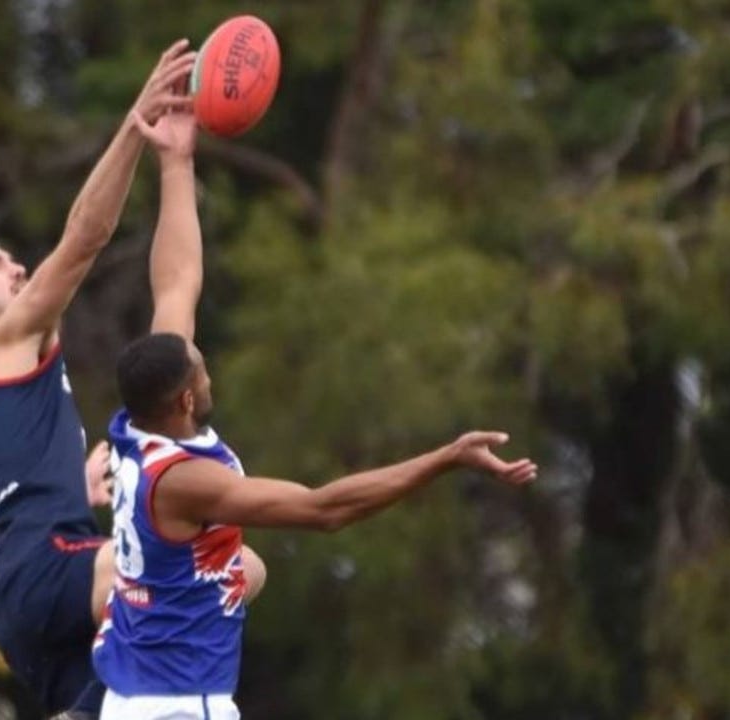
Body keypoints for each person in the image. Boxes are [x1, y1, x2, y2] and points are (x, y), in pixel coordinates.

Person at [90, 94, 539, 720]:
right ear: (186, 397)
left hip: (135, 695)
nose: (205, 363)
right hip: (176, 705)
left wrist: (176, 163)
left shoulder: (142, 422)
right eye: (201, 368)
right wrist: (446, 458)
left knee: (247, 567)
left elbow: (177, 280)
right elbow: (324, 509)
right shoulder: (186, 482)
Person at [0, 41, 201, 719]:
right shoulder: (5, 342)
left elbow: (178, 292)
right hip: (48, 572)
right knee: (227, 572)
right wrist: (136, 127)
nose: (16, 271)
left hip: (28, 604)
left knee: (134, 691)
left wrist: (178, 163)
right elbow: (84, 238)